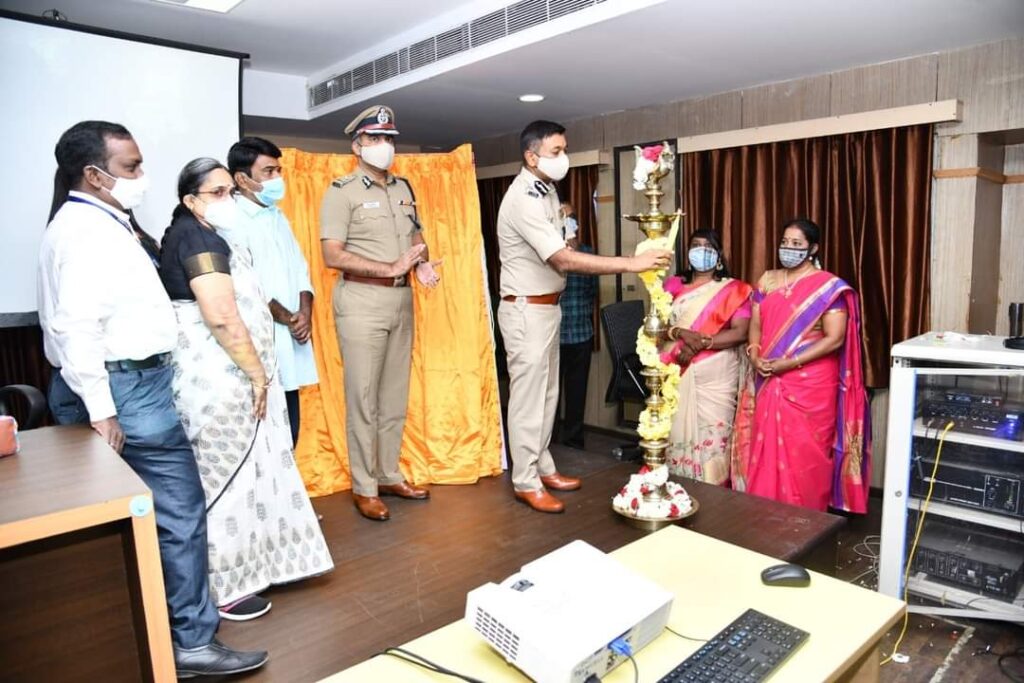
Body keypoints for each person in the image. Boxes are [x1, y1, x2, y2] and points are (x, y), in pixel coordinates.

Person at [38, 120, 267, 677]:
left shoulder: (101, 222)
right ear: (95, 175)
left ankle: (159, 640)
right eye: (131, 166)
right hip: (126, 390)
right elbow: (76, 328)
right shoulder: (84, 232)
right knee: (180, 515)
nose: (142, 175)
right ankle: (191, 643)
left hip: (125, 386)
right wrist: (102, 411)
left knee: (141, 522)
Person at [160, 158, 333, 621]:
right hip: (218, 380)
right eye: (215, 193)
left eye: (229, 192)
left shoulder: (212, 234)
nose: (227, 200)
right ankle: (227, 588)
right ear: (191, 201)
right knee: (228, 481)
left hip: (235, 373)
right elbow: (220, 316)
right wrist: (258, 376)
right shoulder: (195, 237)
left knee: (255, 473)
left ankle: (264, 564)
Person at [497, 120, 672, 514]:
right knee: (527, 400)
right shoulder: (523, 197)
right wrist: (631, 263)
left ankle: (542, 466)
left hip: (547, 307)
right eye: (556, 151)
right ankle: (525, 480)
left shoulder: (546, 191)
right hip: (525, 309)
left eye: (565, 150)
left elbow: (566, 244)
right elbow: (563, 259)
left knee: (548, 396)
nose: (564, 158)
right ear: (532, 157)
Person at [320, 105, 442, 521]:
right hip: (361, 301)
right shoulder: (341, 191)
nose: (384, 146)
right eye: (374, 139)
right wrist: (389, 267)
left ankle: (389, 474)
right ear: (357, 146)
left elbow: (416, 235)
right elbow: (332, 254)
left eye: (389, 139)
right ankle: (365, 486)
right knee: (363, 398)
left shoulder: (403, 186)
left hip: (401, 300)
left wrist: (420, 263)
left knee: (393, 397)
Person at [731, 218, 870, 513]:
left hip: (810, 383)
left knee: (806, 451)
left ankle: (805, 519)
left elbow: (834, 338)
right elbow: (755, 324)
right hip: (767, 373)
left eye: (797, 244)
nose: (788, 248)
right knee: (765, 446)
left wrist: (789, 363)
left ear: (813, 248)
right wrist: (754, 354)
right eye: (785, 242)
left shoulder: (828, 287)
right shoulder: (767, 280)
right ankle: (762, 515)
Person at [226, 136, 317, 447]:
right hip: (261, 341)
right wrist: (290, 318)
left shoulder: (277, 215)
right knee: (263, 439)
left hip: (291, 338)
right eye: (268, 172)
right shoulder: (231, 220)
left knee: (290, 433)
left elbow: (300, 268)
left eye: (278, 170)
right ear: (242, 179)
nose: (277, 178)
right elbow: (246, 284)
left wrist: (305, 313)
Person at [660, 229, 751, 485]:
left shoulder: (735, 290)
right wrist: (680, 332)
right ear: (688, 253)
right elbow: (655, 327)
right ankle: (677, 486)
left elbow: (740, 332)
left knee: (714, 440)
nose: (701, 251)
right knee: (674, 434)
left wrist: (701, 343)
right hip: (675, 369)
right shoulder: (673, 285)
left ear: (718, 255)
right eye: (696, 245)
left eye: (708, 247)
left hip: (716, 378)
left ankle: (714, 491)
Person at [556, 201, 597, 450]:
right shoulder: (549, 255)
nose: (567, 222)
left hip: (581, 334)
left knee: (577, 392)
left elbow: (592, 291)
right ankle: (548, 440)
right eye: (561, 217)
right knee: (549, 394)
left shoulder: (588, 254)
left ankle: (573, 441)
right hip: (554, 336)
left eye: (570, 217)